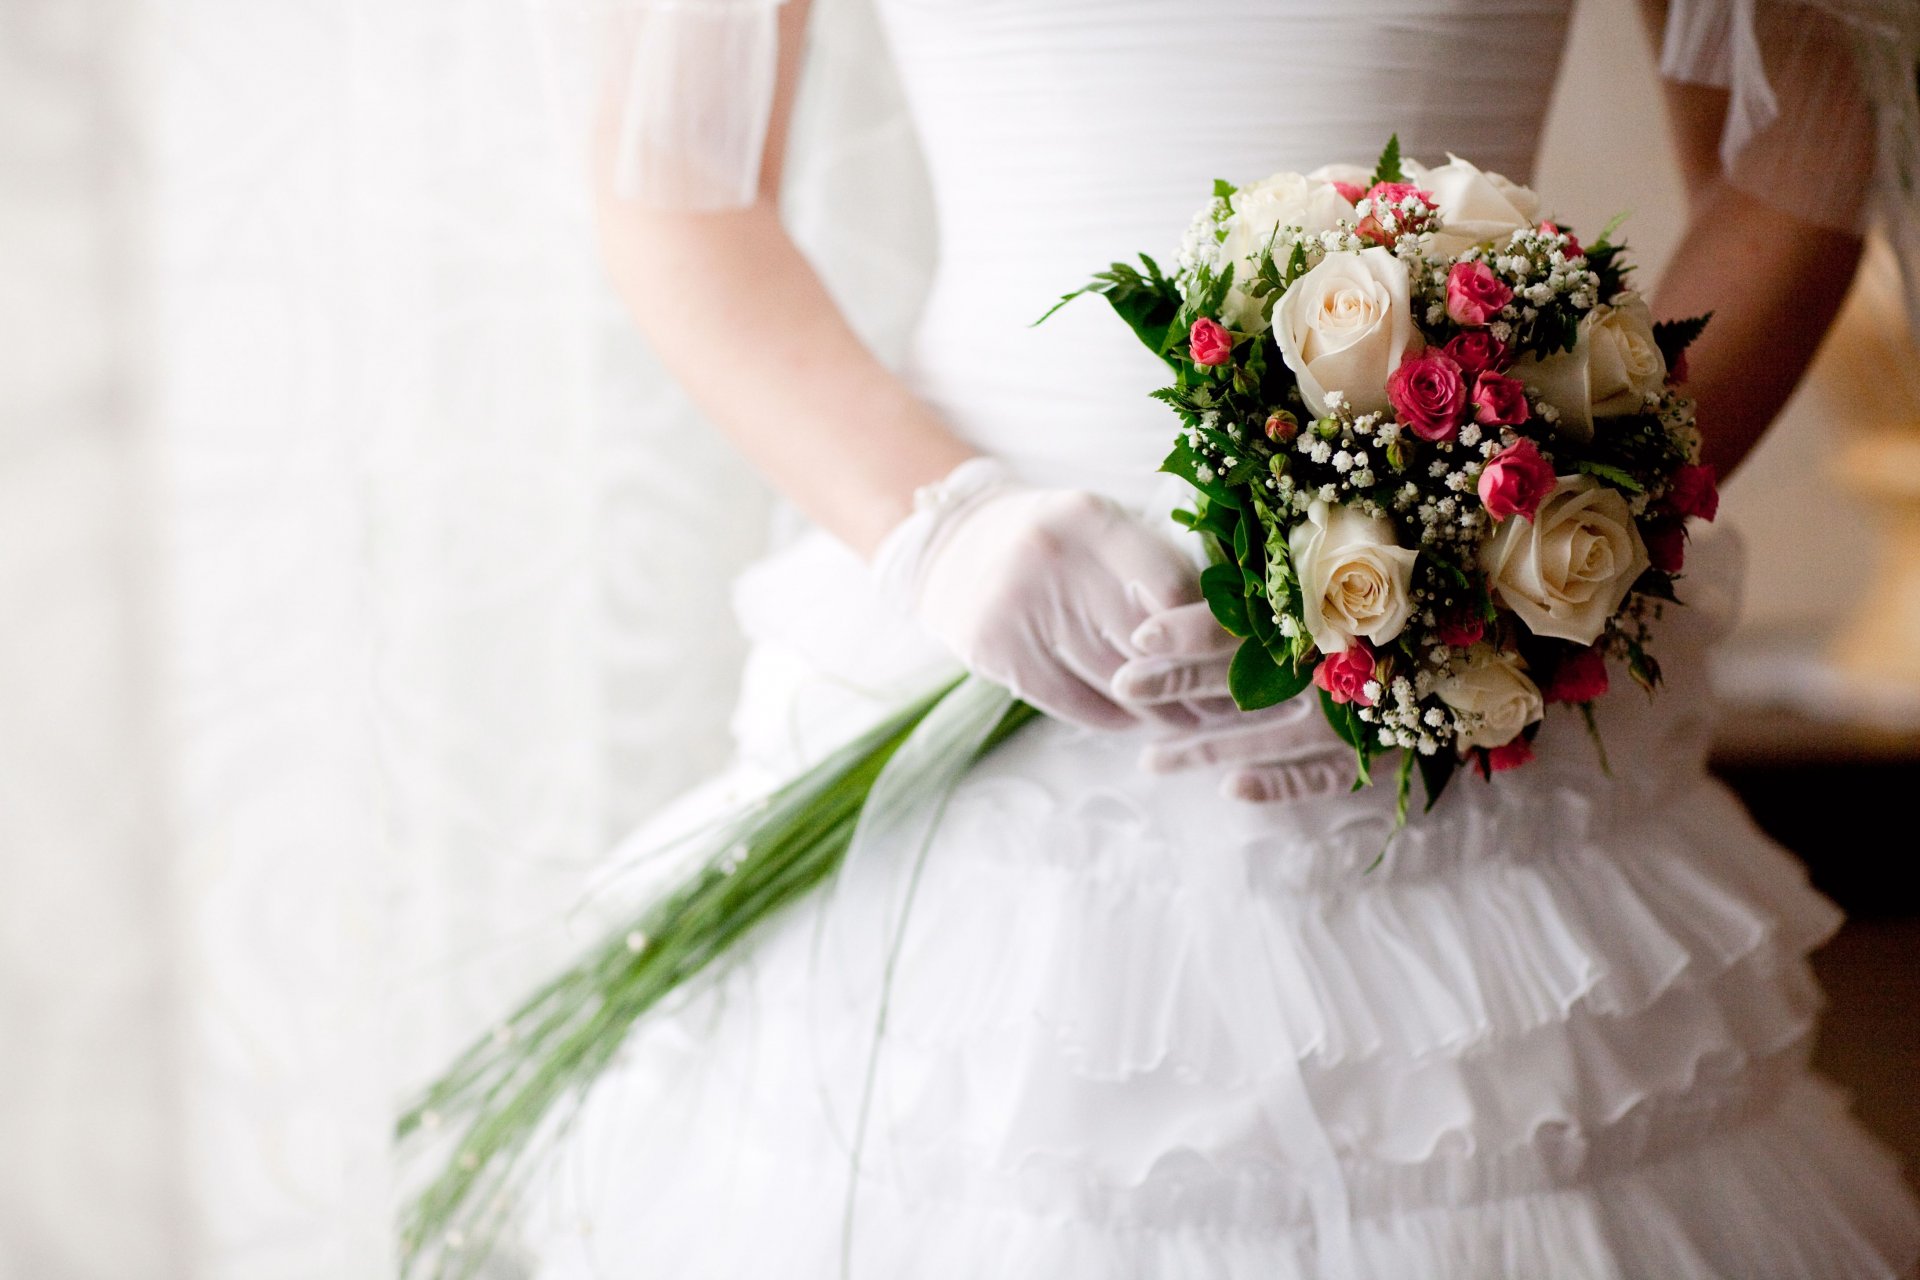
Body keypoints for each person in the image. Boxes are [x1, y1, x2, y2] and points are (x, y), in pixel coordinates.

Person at [524, 0, 1920, 1274]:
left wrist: (1519, 563)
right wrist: (941, 528)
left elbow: (1800, 146)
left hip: (1458, 706)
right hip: (978, 668)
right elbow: (678, 186)